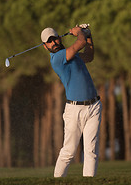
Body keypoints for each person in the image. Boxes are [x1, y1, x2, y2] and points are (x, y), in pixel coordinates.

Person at [41, 25, 102, 177]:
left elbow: (89, 56)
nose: (53, 43)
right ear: (45, 46)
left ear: (59, 38)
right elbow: (79, 43)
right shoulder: (57, 58)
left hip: (94, 106)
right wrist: (79, 33)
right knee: (69, 151)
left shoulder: (71, 55)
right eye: (49, 42)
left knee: (91, 151)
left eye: (54, 38)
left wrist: (88, 36)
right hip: (75, 110)